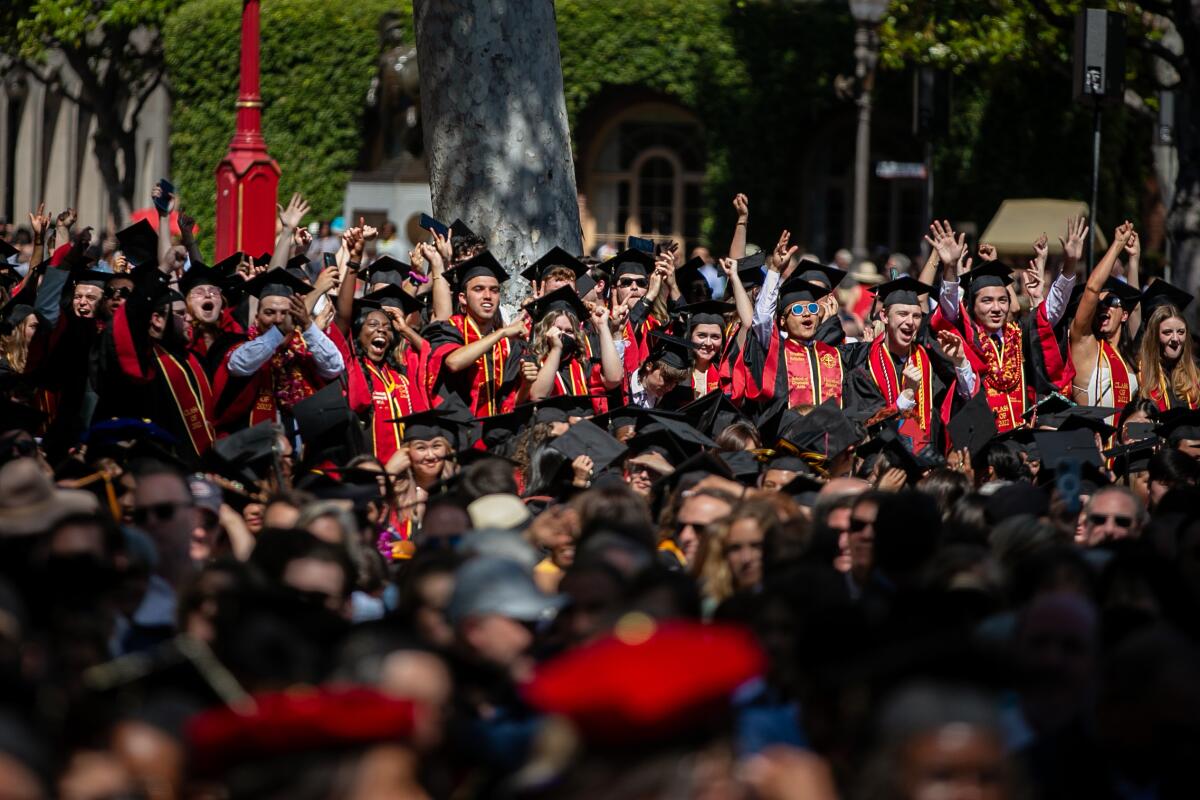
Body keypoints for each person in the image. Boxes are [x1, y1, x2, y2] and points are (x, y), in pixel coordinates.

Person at [929, 221, 1077, 433]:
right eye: (987, 301)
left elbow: (1051, 311)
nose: (997, 308)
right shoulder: (968, 339)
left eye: (1002, 300)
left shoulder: (1020, 334)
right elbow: (950, 310)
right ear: (972, 305)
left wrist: (1070, 264)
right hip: (984, 443)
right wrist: (950, 269)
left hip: (1023, 441)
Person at [845, 276, 976, 454]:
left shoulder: (929, 361)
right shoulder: (864, 364)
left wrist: (960, 362)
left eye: (916, 316)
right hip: (881, 462)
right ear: (884, 316)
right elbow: (862, 423)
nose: (910, 322)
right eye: (902, 314)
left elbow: (955, 403)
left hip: (927, 460)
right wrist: (905, 397)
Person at [212, 268, 344, 434]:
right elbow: (239, 364)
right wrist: (281, 331)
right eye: (269, 313)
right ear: (256, 318)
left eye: (285, 313)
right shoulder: (243, 345)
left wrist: (308, 326)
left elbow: (334, 366)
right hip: (256, 443)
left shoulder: (302, 347)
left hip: (302, 442)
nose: (278, 319)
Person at [425, 250, 528, 416]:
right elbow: (453, 362)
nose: (488, 296)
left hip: (496, 433)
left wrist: (527, 383)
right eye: (479, 289)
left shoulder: (509, 346)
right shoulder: (448, 329)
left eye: (494, 290)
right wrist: (500, 333)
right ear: (463, 298)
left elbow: (511, 401)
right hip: (459, 431)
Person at [1068, 221, 1140, 415]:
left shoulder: (1131, 355)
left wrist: (1133, 259)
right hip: (1093, 443)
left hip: (1127, 443)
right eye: (1099, 303)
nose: (1103, 305)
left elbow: (1135, 309)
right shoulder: (1084, 346)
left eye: (1111, 301)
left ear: (1124, 315)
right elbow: (1092, 289)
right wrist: (1117, 245)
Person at [1137, 302, 1200, 411]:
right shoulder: (1138, 373)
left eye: (1181, 332)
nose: (1175, 338)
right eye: (1167, 332)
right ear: (1154, 336)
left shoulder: (1196, 376)